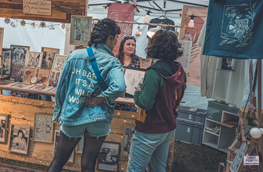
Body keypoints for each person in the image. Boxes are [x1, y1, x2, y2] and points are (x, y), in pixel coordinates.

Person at [48, 18, 126, 172]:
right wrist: (104, 97)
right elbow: (120, 86)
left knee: (58, 160)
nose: (116, 42)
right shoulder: (112, 61)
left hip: (73, 115)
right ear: (109, 38)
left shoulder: (75, 55)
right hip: (98, 118)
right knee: (88, 163)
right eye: (116, 38)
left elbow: (61, 87)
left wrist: (58, 110)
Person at [127, 30, 186, 172]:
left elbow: (146, 103)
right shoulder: (179, 69)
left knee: (135, 169)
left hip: (150, 128)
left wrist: (136, 94)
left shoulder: (154, 72)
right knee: (158, 168)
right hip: (168, 127)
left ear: (155, 46)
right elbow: (179, 95)